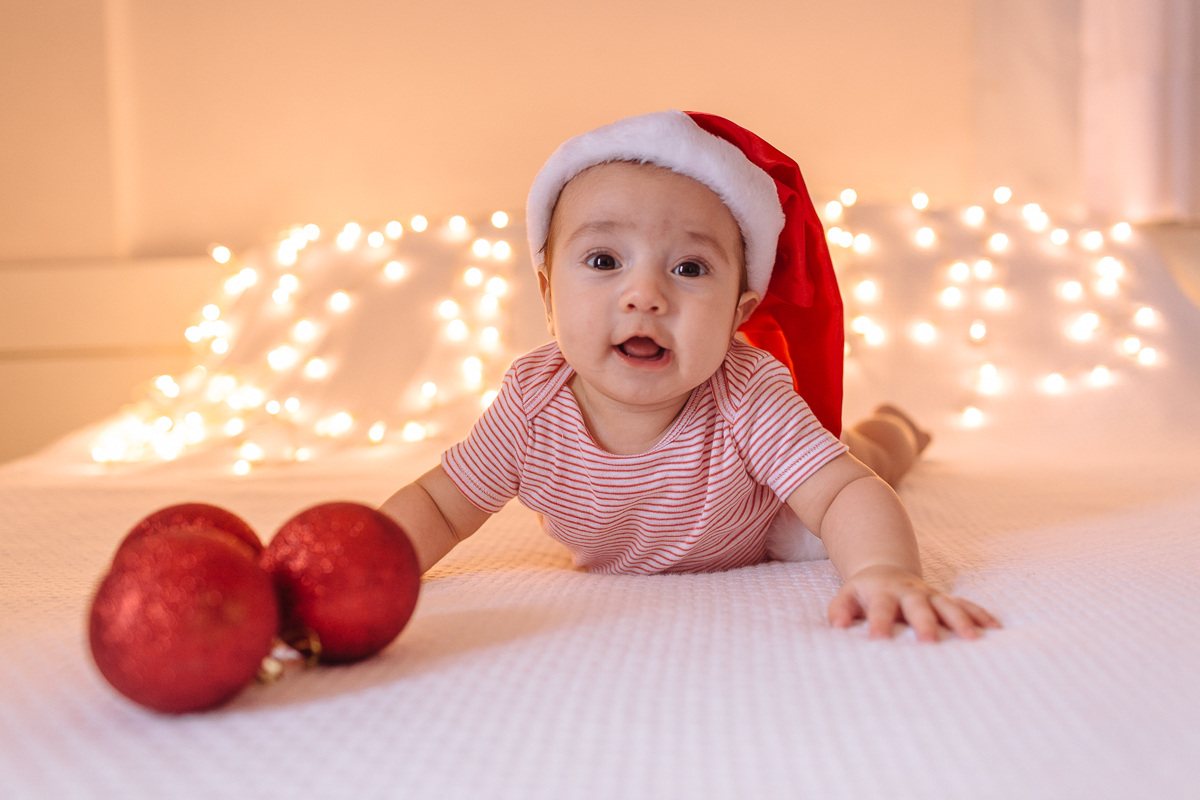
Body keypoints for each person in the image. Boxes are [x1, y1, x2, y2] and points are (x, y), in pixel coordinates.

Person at [380, 111, 999, 642]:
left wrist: (884, 571)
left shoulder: (746, 394)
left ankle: (898, 429)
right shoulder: (531, 405)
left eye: (690, 268)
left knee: (863, 458)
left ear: (738, 314)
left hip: (764, 520)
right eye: (604, 259)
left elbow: (842, 493)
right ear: (548, 296)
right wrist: (374, 566)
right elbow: (440, 505)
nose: (645, 294)